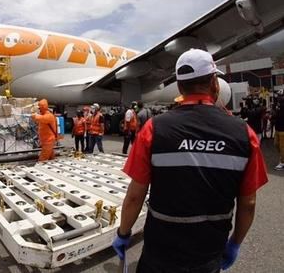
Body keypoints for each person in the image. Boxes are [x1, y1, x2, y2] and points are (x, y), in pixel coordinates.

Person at [112, 49, 268, 272]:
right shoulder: (244, 133)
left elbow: (135, 196)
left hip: (160, 251)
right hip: (208, 251)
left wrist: (123, 233)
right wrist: (234, 243)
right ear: (214, 82)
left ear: (180, 86)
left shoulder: (154, 129)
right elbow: (248, 203)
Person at [274, 95, 284, 170]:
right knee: (276, 144)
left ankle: (282, 162)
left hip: (283, 129)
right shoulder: (278, 105)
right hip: (277, 128)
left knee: (282, 147)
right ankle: (282, 157)